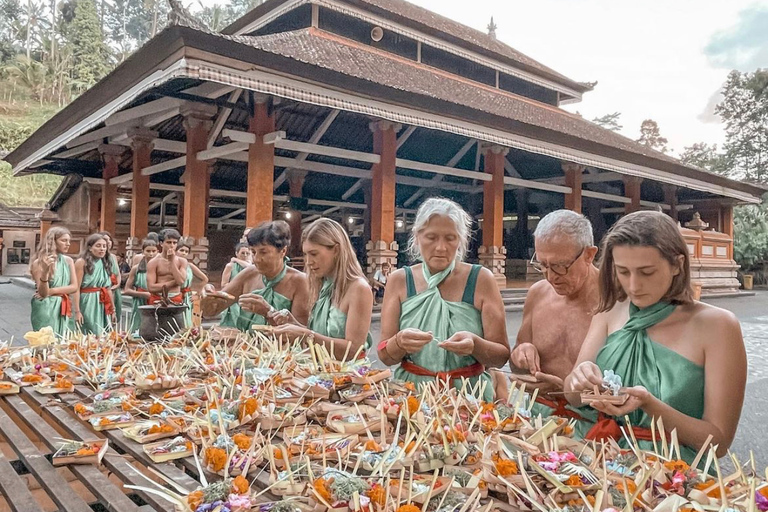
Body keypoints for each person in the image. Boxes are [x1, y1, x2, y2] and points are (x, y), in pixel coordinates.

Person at [564, 211, 746, 462]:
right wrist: (578, 379)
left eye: (646, 272)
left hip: (673, 470)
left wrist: (650, 405)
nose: (634, 286)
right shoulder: (611, 311)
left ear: (677, 265)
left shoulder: (717, 326)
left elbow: (719, 441)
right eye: (623, 272)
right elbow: (572, 396)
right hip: (599, 456)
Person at [377, 198, 509, 401]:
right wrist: (399, 342)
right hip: (412, 396)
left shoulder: (481, 279)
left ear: (461, 240)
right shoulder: (399, 280)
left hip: (470, 398)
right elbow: (385, 356)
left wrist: (475, 344)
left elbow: (501, 356)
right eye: (431, 237)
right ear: (417, 236)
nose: (440, 247)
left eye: (450, 238)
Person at [509, 210, 599, 415]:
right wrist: (522, 353)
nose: (551, 277)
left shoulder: (614, 301)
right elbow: (517, 366)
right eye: (543, 265)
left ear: (589, 255)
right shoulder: (538, 293)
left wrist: (565, 392)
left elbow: (628, 390)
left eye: (560, 266)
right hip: (539, 416)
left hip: (597, 424)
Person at [272, 218, 372, 359]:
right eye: (305, 254)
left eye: (314, 254)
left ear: (336, 250)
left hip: (348, 376)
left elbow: (353, 350)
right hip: (321, 372)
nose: (308, 261)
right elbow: (323, 337)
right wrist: (294, 326)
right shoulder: (323, 284)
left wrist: (305, 335)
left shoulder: (358, 288)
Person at [203, 221, 310, 331]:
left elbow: (301, 334)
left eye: (263, 252)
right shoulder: (248, 274)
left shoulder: (300, 282)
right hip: (244, 347)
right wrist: (208, 298)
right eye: (253, 252)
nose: (257, 259)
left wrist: (268, 312)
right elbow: (211, 311)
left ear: (282, 251)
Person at [29, 227, 77, 336]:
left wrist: (51, 291)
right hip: (45, 306)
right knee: (46, 343)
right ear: (53, 242)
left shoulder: (68, 261)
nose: (68, 244)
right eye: (64, 240)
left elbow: (74, 287)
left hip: (63, 304)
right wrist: (45, 272)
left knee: (64, 341)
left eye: (69, 241)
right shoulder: (39, 262)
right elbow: (43, 293)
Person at [74, 233, 115, 334]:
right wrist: (77, 311)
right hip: (87, 301)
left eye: (104, 246)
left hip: (102, 301)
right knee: (89, 332)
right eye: (98, 246)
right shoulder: (81, 262)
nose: (102, 249)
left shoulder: (105, 262)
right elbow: (76, 288)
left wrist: (112, 310)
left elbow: (108, 288)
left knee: (103, 334)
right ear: (90, 248)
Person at [123, 239, 158, 335]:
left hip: (156, 301)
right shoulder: (136, 269)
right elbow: (127, 289)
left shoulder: (161, 268)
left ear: (157, 252)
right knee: (138, 329)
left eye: (153, 251)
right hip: (140, 302)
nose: (151, 254)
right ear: (143, 252)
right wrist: (142, 294)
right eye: (148, 251)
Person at [146, 229, 188, 305]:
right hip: (158, 299)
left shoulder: (182, 261)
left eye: (174, 243)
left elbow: (181, 282)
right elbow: (151, 287)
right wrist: (175, 282)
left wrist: (171, 261)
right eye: (169, 242)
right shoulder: (153, 262)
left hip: (176, 298)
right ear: (161, 243)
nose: (172, 245)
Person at [219, 243, 253, 328]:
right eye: (242, 253)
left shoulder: (251, 267)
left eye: (247, 253)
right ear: (237, 253)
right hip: (233, 300)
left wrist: (235, 260)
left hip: (247, 298)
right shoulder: (230, 266)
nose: (245, 255)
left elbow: (249, 267)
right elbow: (223, 284)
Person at [176, 241, 208, 327]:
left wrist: (198, 291)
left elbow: (204, 279)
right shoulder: (171, 265)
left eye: (186, 251)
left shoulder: (190, 265)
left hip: (186, 296)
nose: (184, 253)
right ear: (175, 251)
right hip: (174, 295)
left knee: (186, 321)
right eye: (181, 250)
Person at [99, 232, 123, 325]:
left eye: (109, 240)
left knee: (115, 315)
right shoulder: (98, 257)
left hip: (115, 289)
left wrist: (117, 284)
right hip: (105, 289)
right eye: (105, 240)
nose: (108, 242)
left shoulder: (113, 257)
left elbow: (117, 274)